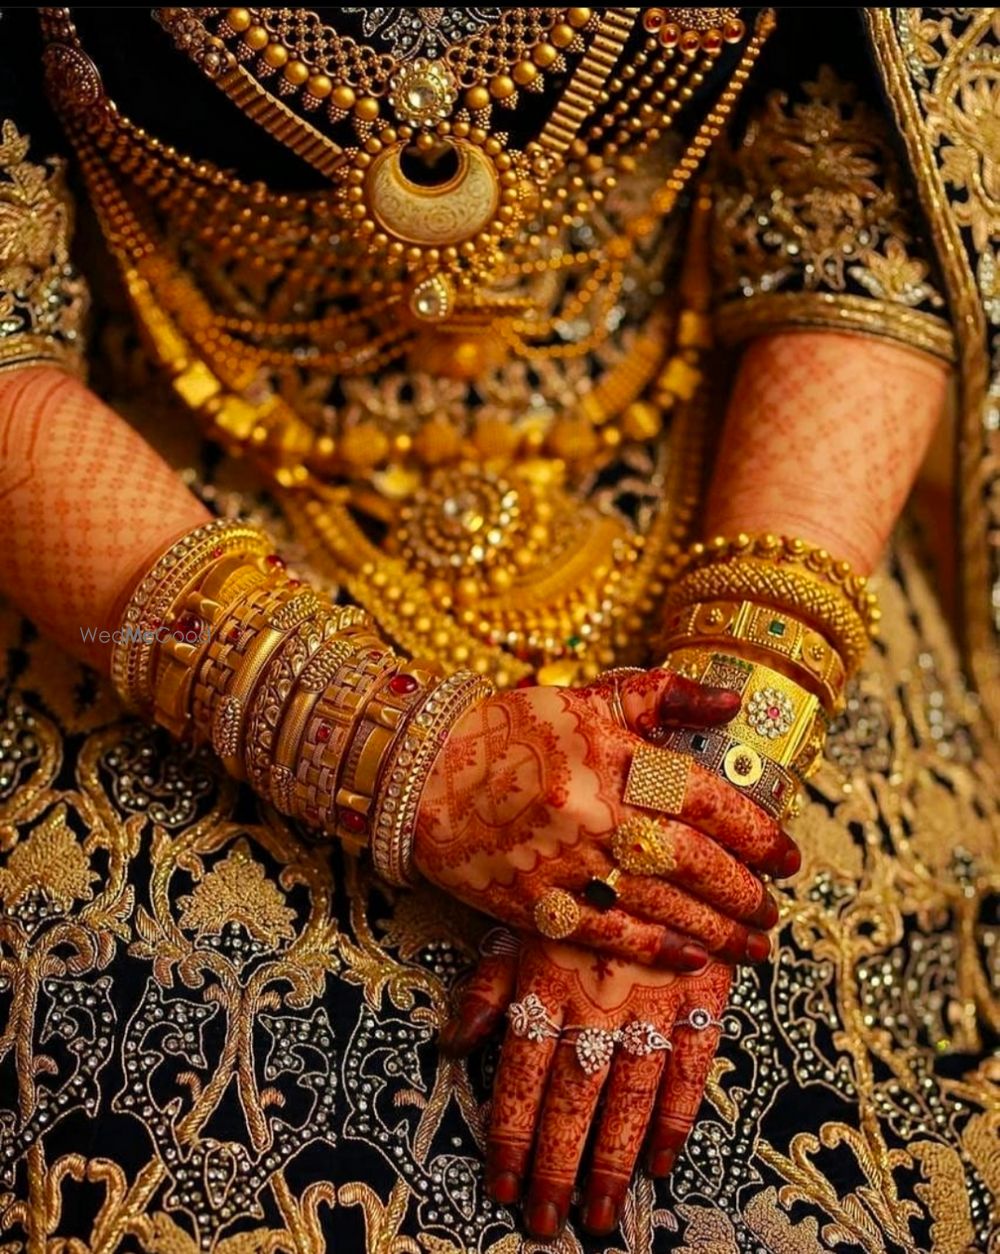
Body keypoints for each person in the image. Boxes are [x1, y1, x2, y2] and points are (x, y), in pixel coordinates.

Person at [0, 7, 996, 1251]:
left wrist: (707, 796)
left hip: (739, 490)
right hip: (165, 528)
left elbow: (856, 223)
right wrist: (377, 746)